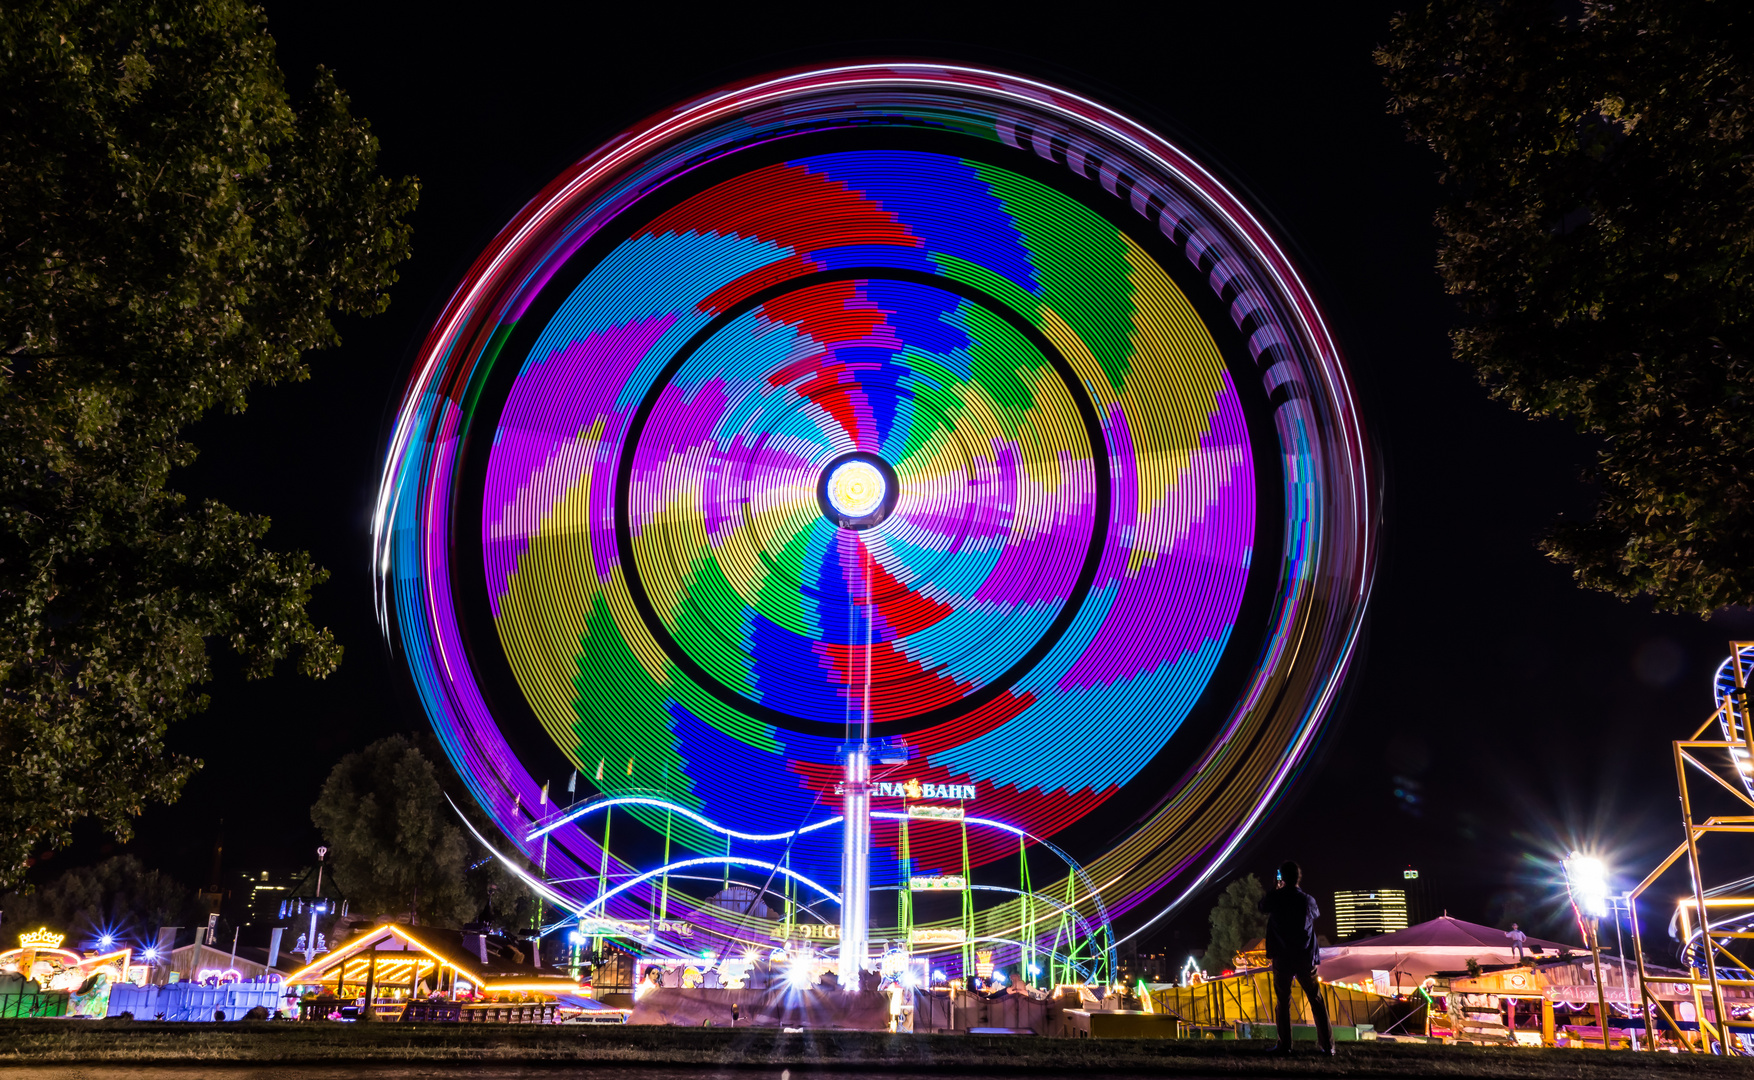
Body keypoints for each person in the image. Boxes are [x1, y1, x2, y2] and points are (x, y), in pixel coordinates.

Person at [1257, 860, 1333, 1055]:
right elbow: (1315, 914)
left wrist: (1274, 887)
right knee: (1316, 1000)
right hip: (1305, 956)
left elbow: (1262, 906)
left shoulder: (1276, 898)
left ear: (1281, 877)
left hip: (1283, 956)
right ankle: (1327, 1046)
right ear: (1299, 878)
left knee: (1283, 1002)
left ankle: (1285, 1045)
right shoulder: (1307, 900)